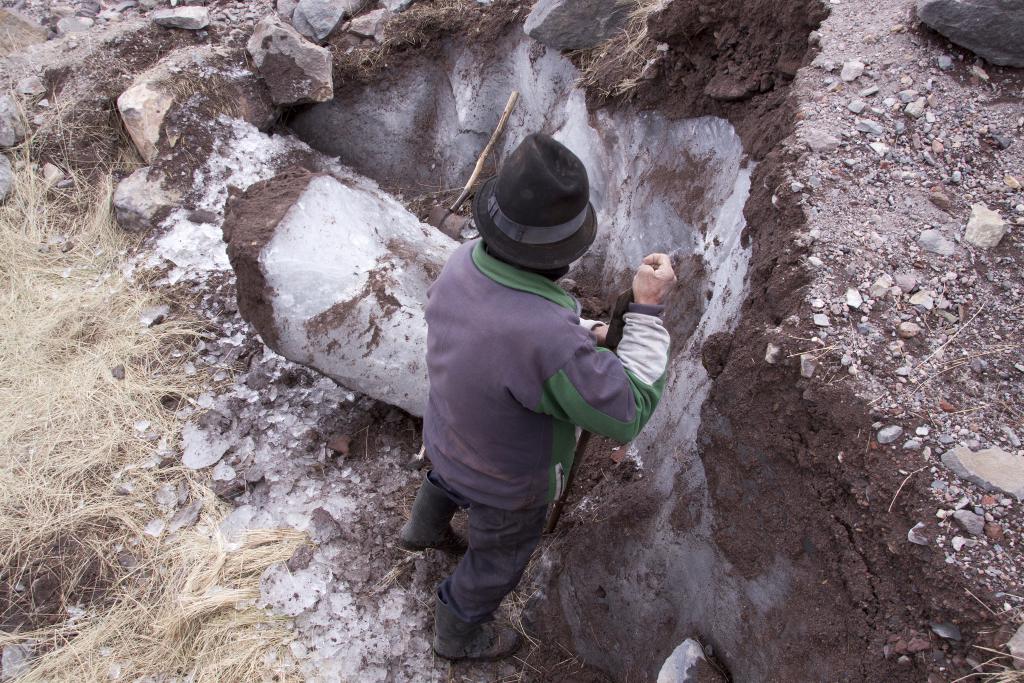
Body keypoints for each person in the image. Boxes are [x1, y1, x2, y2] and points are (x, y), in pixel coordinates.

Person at [399, 133, 675, 661]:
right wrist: (645, 311)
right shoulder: (546, 342)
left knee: (449, 475)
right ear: (567, 253)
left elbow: (514, 325)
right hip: (506, 485)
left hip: (448, 433)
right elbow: (627, 408)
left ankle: (421, 529)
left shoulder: (463, 262)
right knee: (499, 558)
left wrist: (579, 331)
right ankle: (456, 633)